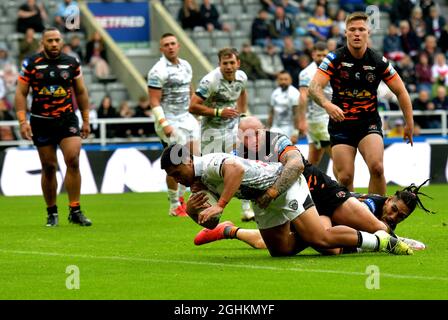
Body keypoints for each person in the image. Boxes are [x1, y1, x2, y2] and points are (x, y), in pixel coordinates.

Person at [192, 117, 431, 252]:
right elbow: (220, 187)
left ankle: (397, 243)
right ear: (239, 136)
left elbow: (295, 165)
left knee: (374, 225)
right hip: (294, 203)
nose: (253, 139)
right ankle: (228, 230)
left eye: (256, 133)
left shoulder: (276, 141)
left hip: (322, 192)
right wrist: (201, 208)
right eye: (247, 135)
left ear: (263, 131)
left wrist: (272, 191)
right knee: (305, 249)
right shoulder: (236, 158)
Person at [161, 143, 413, 256]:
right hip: (264, 202)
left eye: (177, 173)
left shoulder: (208, 163)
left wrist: (220, 204)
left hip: (284, 185)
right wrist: (196, 214)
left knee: (322, 239)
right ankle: (323, 226)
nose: (177, 180)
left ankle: (381, 242)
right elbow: (210, 223)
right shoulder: (197, 186)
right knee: (281, 251)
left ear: (187, 161)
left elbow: (235, 170)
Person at [309, 12, 414, 195]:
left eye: (361, 29)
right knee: (345, 178)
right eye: (352, 29)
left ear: (368, 33)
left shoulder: (378, 61)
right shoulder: (334, 59)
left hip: (368, 122)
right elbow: (314, 87)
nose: (357, 33)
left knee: (377, 167)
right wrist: (327, 105)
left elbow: (401, 91)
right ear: (346, 33)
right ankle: (353, 218)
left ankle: (377, 219)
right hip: (341, 124)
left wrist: (409, 123)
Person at [14, 27, 92, 227]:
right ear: (43, 42)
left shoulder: (72, 62)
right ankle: (52, 212)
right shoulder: (31, 64)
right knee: (49, 167)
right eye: (50, 41)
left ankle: (75, 209)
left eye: (57, 40)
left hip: (67, 119)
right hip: (41, 121)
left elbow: (81, 92)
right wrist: (23, 122)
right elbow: (21, 93)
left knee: (73, 159)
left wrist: (85, 119)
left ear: (62, 41)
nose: (54, 44)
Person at [189, 47, 254, 222]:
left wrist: (243, 114)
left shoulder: (242, 77)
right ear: (219, 64)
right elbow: (193, 106)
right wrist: (218, 112)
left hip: (233, 129)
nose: (229, 66)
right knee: (210, 174)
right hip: (211, 133)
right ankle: (208, 209)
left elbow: (242, 92)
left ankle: (247, 209)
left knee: (242, 164)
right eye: (225, 63)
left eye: (232, 62)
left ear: (238, 63)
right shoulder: (209, 81)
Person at [147, 33, 200, 217]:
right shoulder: (157, 71)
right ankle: (174, 204)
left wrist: (195, 111)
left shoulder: (186, 65)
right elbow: (154, 101)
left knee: (195, 158)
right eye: (166, 45)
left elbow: (189, 90)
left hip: (186, 118)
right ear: (161, 49)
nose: (170, 47)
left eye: (173, 44)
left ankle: (184, 198)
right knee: (175, 162)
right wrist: (164, 123)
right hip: (169, 120)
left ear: (178, 46)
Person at [298, 41, 332, 166]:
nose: (322, 58)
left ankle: (306, 184)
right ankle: (344, 185)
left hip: (327, 117)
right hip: (319, 120)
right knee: (338, 157)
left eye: (324, 55)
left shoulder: (331, 69)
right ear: (313, 55)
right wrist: (302, 120)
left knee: (313, 160)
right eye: (319, 55)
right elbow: (303, 96)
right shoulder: (307, 73)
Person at [267, 70, 300, 143]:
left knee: (287, 152)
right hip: (275, 127)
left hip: (289, 127)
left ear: (290, 80)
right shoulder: (275, 93)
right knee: (271, 151)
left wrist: (296, 132)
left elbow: (297, 114)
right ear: (277, 80)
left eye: (286, 79)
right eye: (281, 79)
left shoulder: (295, 93)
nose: (283, 82)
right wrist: (268, 127)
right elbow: (271, 112)